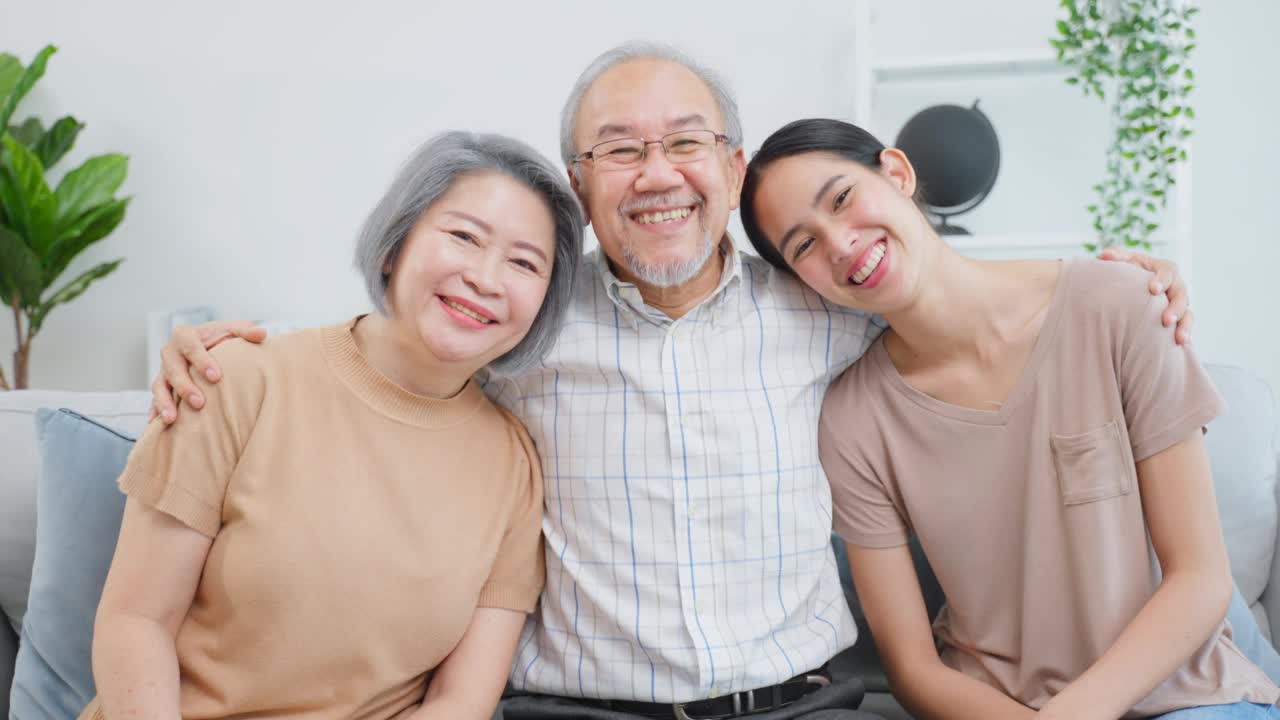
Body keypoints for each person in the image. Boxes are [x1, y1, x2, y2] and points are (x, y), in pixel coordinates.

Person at [148, 44, 1193, 720]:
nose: (657, 173)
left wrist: (1116, 273)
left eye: (685, 142)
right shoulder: (521, 326)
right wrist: (214, 347)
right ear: (579, 186)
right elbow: (394, 340)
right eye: (619, 150)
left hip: (807, 707)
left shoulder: (825, 311)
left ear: (732, 171)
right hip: (570, 712)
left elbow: (933, 285)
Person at [738, 117, 1280, 719]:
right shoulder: (850, 421)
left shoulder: (1119, 304)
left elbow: (1200, 579)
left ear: (896, 173)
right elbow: (914, 669)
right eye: (804, 245)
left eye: (841, 199)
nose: (839, 243)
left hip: (1180, 691)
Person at [83, 131, 583, 720]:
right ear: (395, 246)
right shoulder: (233, 379)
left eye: (524, 263)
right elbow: (136, 621)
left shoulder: (514, 467)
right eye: (463, 237)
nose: (486, 277)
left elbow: (461, 700)